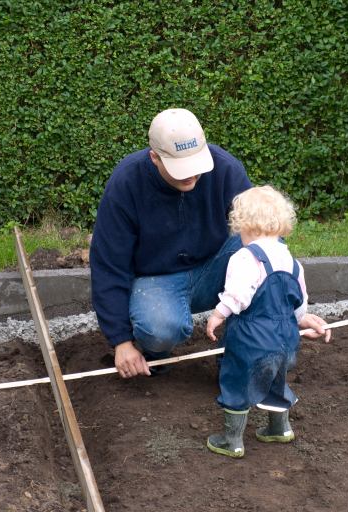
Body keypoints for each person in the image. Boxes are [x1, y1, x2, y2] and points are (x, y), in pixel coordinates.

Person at [90, 108, 252, 378]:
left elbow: (266, 235)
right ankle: (154, 353)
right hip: (158, 279)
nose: (191, 176)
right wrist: (121, 341)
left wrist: (293, 308)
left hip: (215, 268)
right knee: (160, 330)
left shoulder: (225, 169)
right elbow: (109, 264)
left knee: (255, 249)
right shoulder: (127, 182)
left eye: (195, 166)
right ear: (154, 157)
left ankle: (235, 360)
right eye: (180, 168)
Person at [206, 185, 331, 458]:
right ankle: (280, 428)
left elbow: (237, 296)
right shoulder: (291, 260)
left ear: (244, 225)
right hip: (286, 338)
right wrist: (301, 320)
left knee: (238, 382)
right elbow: (299, 299)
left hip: (252, 336)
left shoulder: (245, 257)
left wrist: (217, 315)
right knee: (276, 378)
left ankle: (232, 441)